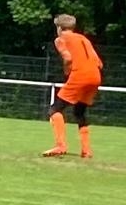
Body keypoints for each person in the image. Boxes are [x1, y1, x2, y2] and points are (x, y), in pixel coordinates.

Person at [44, 13, 103, 158]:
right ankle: (86, 150)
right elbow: (99, 63)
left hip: (80, 75)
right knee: (79, 112)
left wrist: (67, 71)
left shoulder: (60, 39)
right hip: (95, 76)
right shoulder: (84, 39)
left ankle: (60, 145)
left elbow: (68, 58)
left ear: (59, 28)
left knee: (54, 109)